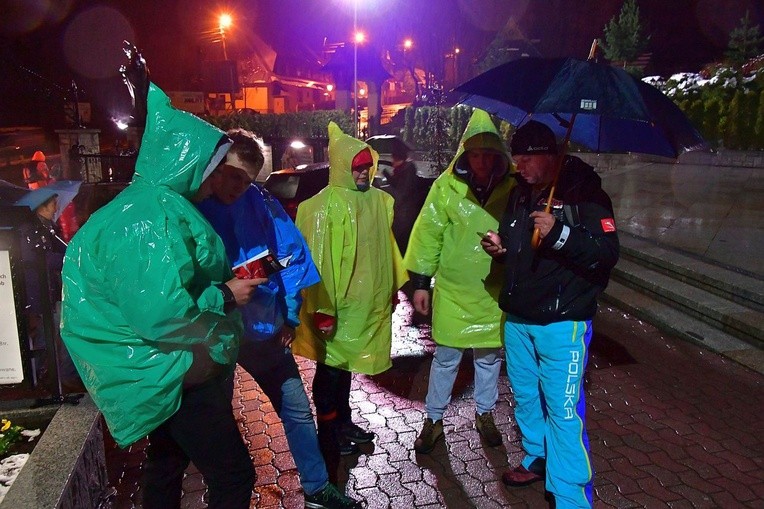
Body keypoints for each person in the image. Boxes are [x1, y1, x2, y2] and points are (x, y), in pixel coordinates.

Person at [60, 83, 264, 509]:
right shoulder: (151, 218)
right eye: (210, 168)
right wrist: (226, 294)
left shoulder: (141, 207)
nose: (212, 181)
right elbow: (163, 315)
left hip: (158, 371)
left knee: (166, 467)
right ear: (185, 159)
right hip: (176, 370)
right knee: (234, 475)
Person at [197, 128, 362, 509]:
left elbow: (291, 255)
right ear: (216, 166)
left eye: (247, 179)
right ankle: (223, 491)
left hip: (263, 331)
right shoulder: (193, 205)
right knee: (212, 424)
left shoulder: (259, 201)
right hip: (213, 334)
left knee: (296, 409)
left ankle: (317, 488)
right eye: (234, 175)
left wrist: (289, 317)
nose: (239, 186)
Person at [481, 120, 619, 509]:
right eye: (516, 156)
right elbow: (519, 239)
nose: (519, 164)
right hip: (520, 319)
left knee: (562, 409)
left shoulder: (586, 194)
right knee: (525, 397)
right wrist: (503, 246)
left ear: (550, 155)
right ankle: (537, 458)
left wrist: (560, 233)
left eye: (527, 156)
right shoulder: (521, 192)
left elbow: (607, 254)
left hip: (563, 322)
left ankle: (571, 497)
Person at [292, 122, 407, 478]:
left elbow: (387, 248)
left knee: (344, 370)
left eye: (366, 166)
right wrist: (322, 308)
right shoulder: (323, 207)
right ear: (342, 166)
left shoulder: (374, 200)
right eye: (356, 167)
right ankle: (330, 430)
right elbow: (320, 264)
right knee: (330, 370)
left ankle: (342, 423)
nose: (363, 172)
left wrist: (392, 288)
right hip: (336, 308)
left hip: (362, 306)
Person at [405, 109, 513, 454]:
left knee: (488, 358)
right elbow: (428, 233)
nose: (481, 161)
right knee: (446, 358)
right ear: (465, 153)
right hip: (452, 289)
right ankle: (433, 420)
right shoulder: (446, 186)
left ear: (498, 154)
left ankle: (485, 414)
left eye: (488, 153)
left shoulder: (513, 187)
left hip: (492, 291)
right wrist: (421, 281)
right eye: (475, 153)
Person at [380, 143, 430, 256]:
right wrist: (386, 173)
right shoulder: (401, 170)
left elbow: (401, 193)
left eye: (393, 158)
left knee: (401, 246)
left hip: (406, 216)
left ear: (398, 158)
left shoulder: (407, 171)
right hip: (403, 214)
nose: (392, 161)